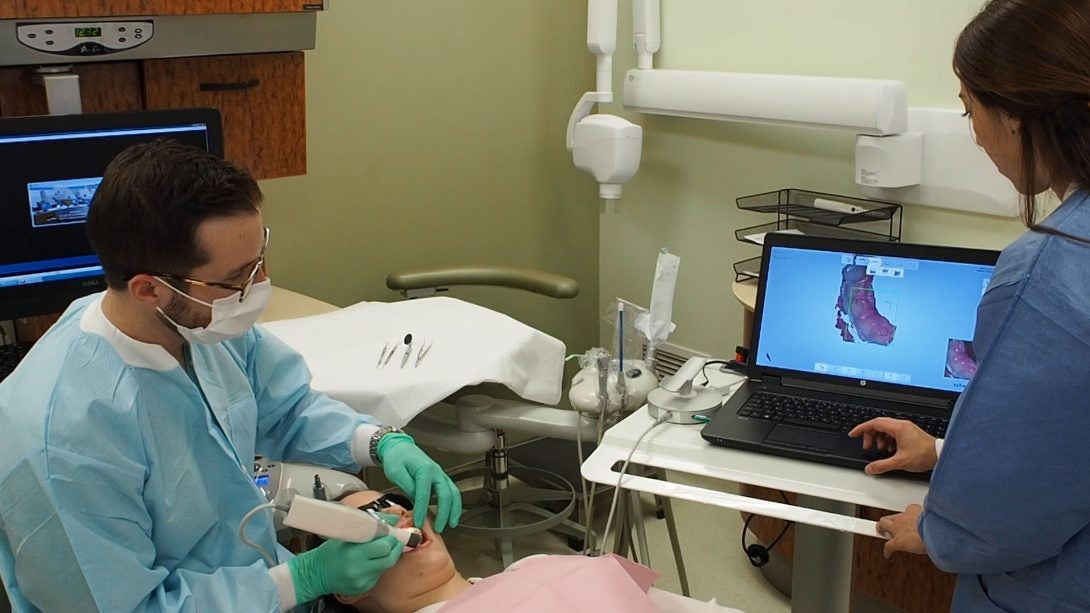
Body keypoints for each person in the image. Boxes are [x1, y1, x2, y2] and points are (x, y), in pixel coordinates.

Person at [0, 140, 462, 612]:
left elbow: (288, 406)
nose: (260, 286)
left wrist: (380, 441)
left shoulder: (200, 324)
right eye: (238, 277)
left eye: (260, 257)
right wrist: (303, 578)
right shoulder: (62, 442)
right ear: (148, 289)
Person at [847, 0, 1090, 610]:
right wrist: (944, 452)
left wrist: (936, 529)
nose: (973, 132)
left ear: (1013, 115)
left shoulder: (1049, 273)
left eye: (968, 108)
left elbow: (1005, 511)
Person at [313, 489, 742, 613]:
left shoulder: (537, 564)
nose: (397, 516)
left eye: (395, 502)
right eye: (369, 520)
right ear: (347, 586)